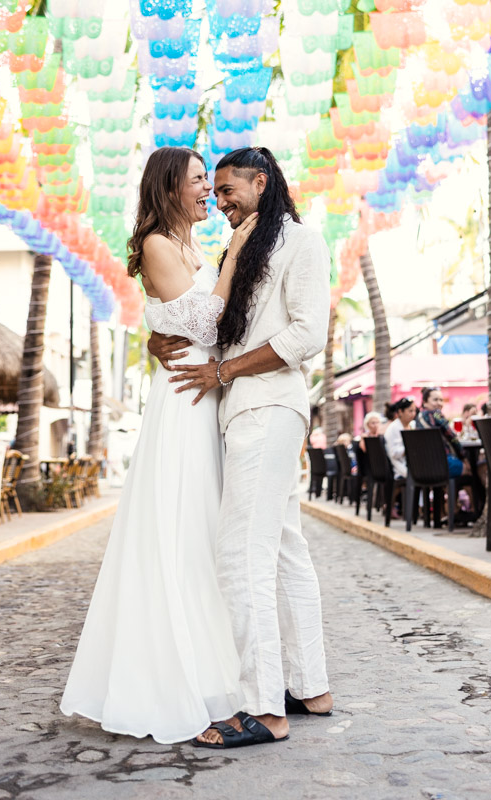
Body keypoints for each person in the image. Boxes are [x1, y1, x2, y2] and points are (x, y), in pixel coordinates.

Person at [60, 146, 258, 744]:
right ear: (170, 185)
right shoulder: (157, 243)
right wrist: (234, 257)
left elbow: (191, 319)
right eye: (200, 181)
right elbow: (204, 323)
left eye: (212, 183)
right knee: (181, 529)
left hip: (209, 392)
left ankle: (214, 667)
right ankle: (173, 678)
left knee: (206, 531)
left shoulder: (192, 247)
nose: (210, 192)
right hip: (183, 400)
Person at [151, 145, 333, 749]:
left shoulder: (300, 241)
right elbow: (213, 321)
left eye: (228, 191)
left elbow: (307, 333)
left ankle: (263, 709)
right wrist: (162, 337)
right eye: (214, 191)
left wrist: (224, 375)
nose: (220, 201)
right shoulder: (242, 247)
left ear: (262, 182)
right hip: (244, 414)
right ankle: (310, 688)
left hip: (268, 408)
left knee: (240, 555)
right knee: (281, 547)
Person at [416, 387, 465, 477]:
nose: (439, 403)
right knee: (470, 469)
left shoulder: (418, 416)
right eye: (435, 400)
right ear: (425, 402)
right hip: (441, 463)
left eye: (441, 400)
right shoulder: (436, 414)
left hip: (422, 465)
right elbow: (452, 437)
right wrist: (463, 456)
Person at [383, 397, 417, 479]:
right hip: (400, 468)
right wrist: (411, 448)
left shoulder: (412, 425)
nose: (413, 414)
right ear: (400, 412)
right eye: (410, 411)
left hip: (411, 464)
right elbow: (394, 454)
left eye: (414, 411)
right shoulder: (393, 428)